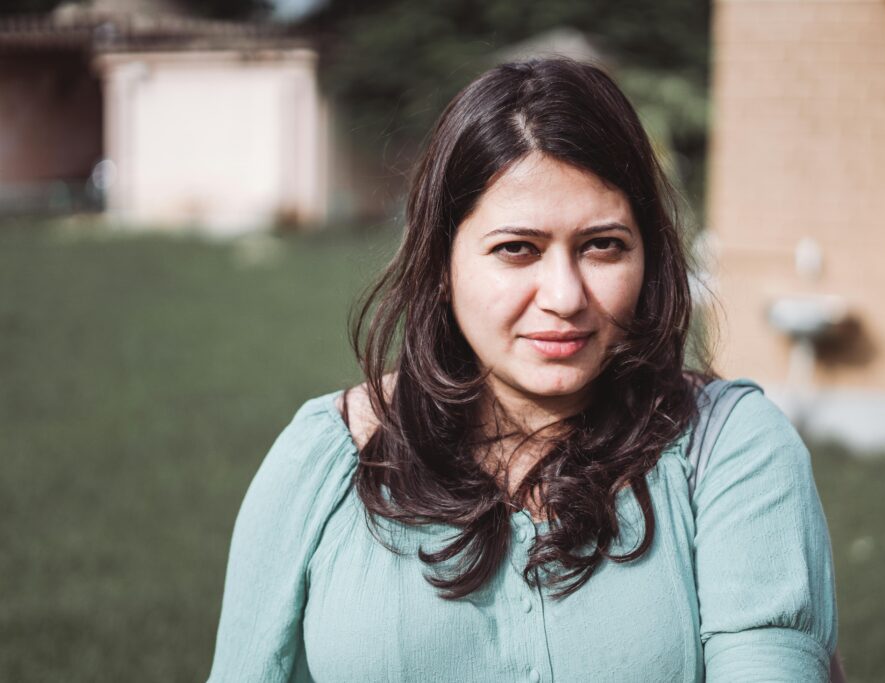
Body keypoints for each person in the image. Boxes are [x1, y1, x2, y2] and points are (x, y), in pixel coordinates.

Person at [207, 58, 841, 682]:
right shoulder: (322, 461)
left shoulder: (733, 450)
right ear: (442, 264)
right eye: (517, 249)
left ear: (649, 256)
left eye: (602, 245)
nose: (564, 296)